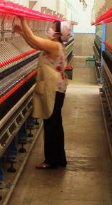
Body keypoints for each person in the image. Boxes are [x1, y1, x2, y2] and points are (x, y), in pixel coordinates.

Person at [13, 16, 71, 169]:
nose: (50, 29)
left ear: (58, 33)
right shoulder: (56, 45)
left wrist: (23, 20)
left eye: (53, 27)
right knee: (54, 124)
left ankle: (52, 160)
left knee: (52, 125)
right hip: (57, 89)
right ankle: (59, 159)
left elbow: (35, 40)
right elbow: (34, 43)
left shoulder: (54, 46)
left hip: (54, 90)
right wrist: (22, 33)